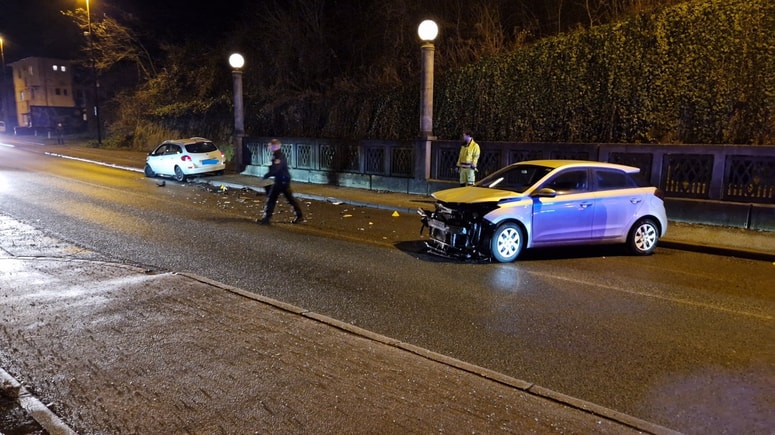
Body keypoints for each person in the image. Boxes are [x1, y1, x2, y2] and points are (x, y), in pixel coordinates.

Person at [260, 139, 303, 224]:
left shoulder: (278, 156)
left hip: (282, 181)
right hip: (281, 180)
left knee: (273, 198)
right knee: (288, 199)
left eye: (271, 146)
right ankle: (299, 216)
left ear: (275, 146)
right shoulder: (277, 155)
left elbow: (276, 169)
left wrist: (267, 175)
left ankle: (267, 218)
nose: (269, 147)